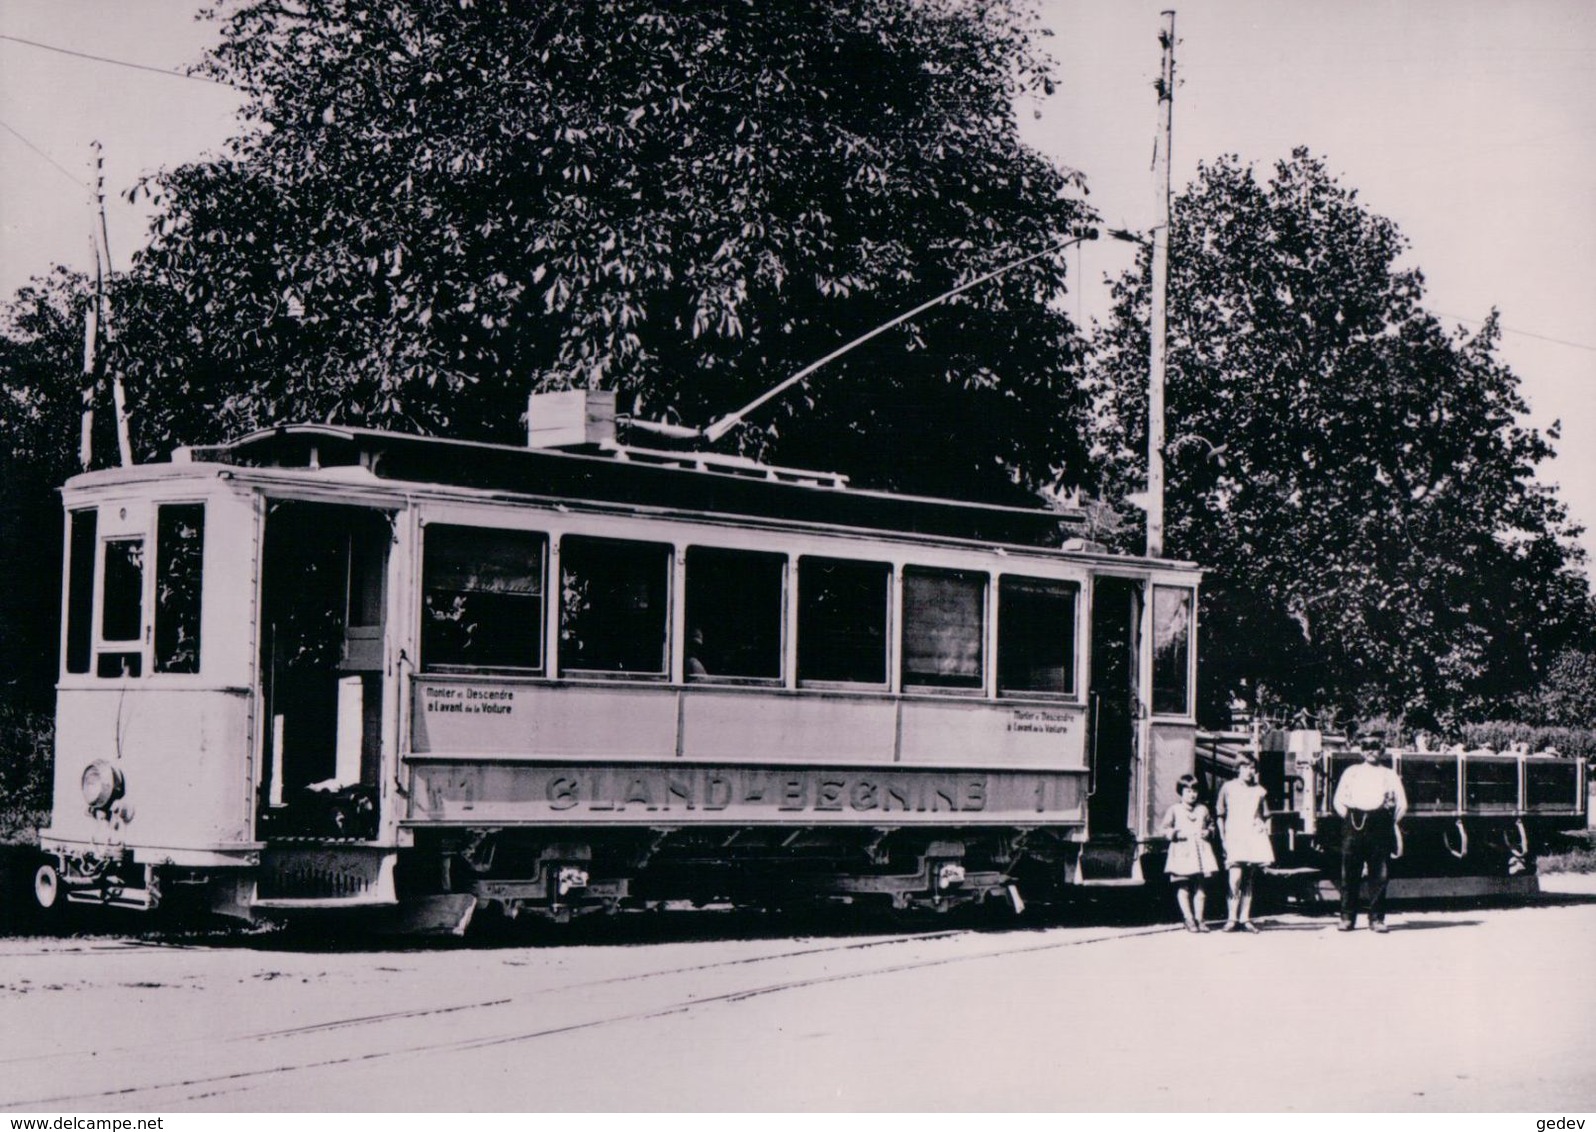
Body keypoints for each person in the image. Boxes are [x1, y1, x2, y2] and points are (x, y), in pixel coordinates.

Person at [1332, 735, 1409, 932]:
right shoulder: (1352, 772)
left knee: (1379, 873)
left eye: (1375, 747)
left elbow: (1402, 804)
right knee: (1349, 872)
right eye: (1366, 747)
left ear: (1381, 750)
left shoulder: (1389, 774)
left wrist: (1387, 822)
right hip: (1354, 823)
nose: (1370, 751)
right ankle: (1347, 918)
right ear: (1361, 750)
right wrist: (1351, 819)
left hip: (1380, 824)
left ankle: (1377, 919)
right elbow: (1338, 800)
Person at [1216, 753, 1273, 932]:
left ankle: (1245, 918)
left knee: (1249, 878)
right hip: (1234, 836)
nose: (1250, 771)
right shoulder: (1228, 788)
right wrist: (1223, 838)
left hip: (1252, 836)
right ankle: (1231, 918)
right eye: (1246, 767)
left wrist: (1264, 831)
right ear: (1238, 768)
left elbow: (1267, 815)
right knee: (1235, 878)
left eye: (1252, 768)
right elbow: (1220, 815)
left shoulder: (1259, 791)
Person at [1160, 774, 1219, 932]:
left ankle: (1200, 919)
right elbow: (1164, 828)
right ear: (1181, 792)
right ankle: (1188, 918)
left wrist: (1208, 832)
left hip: (1200, 853)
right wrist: (1175, 834)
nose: (1192, 794)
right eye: (1187, 791)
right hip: (1182, 852)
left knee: (1201, 888)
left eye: (1194, 791)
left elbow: (1211, 825)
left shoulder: (1203, 809)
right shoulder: (1175, 810)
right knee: (1184, 886)